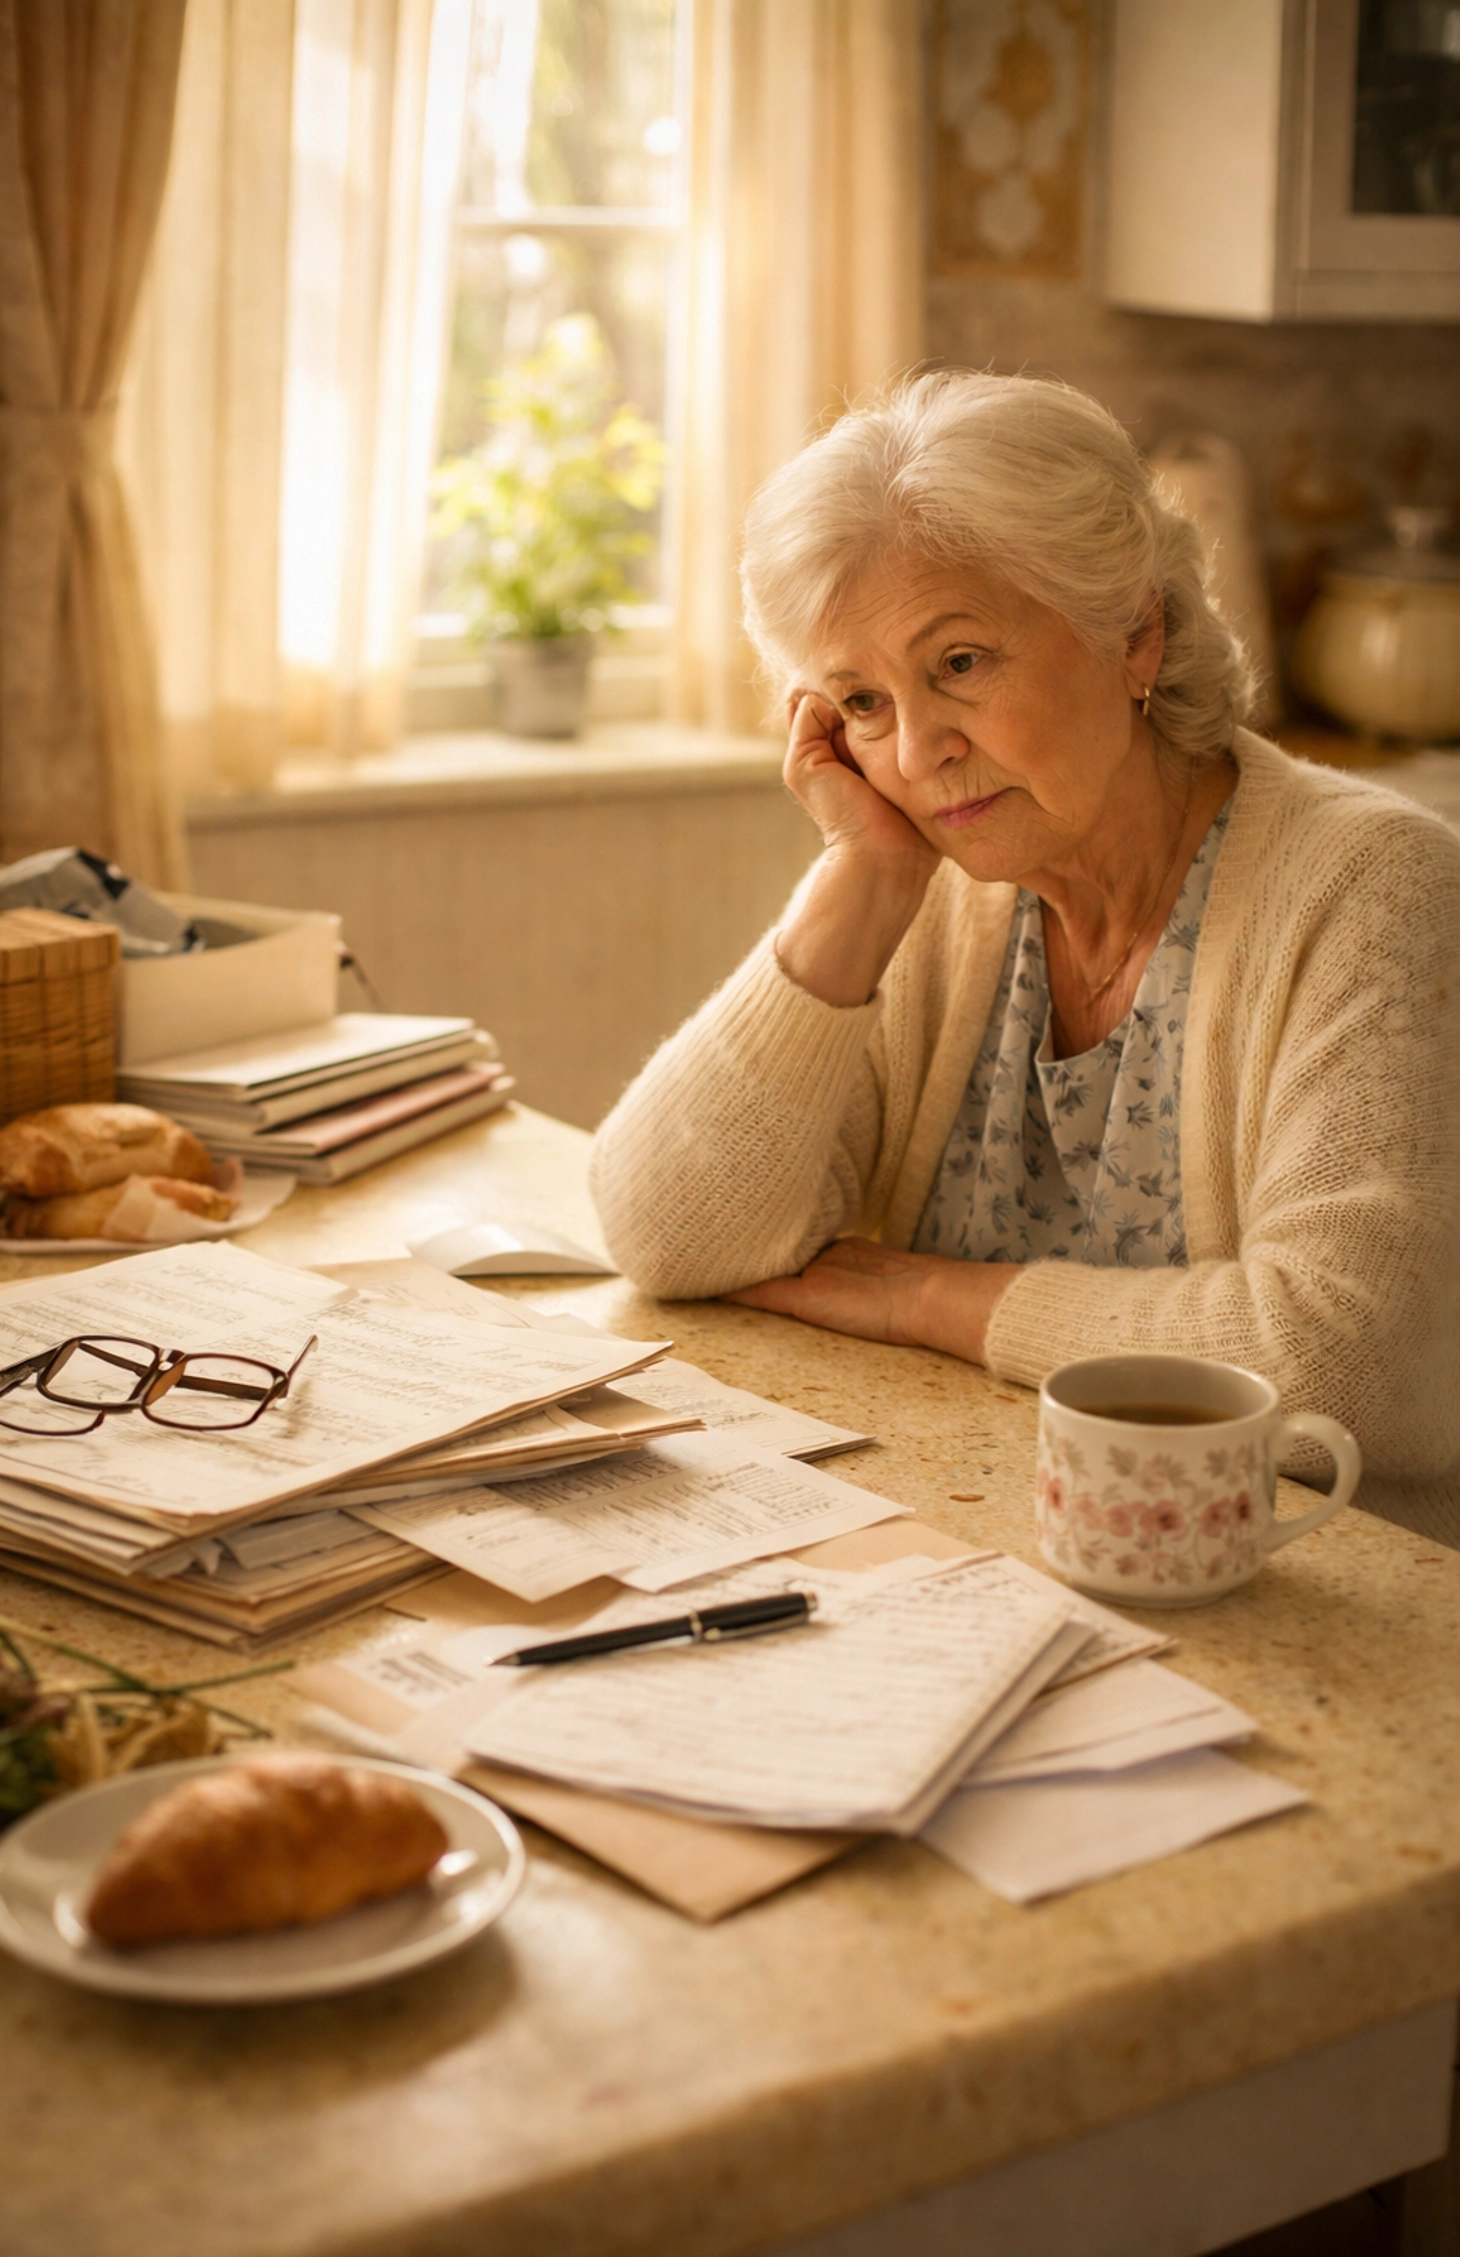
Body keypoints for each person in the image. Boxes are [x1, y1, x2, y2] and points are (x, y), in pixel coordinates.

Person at [590, 371, 1460, 1545]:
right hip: (981, 1556)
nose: (919, 750)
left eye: (959, 664)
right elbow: (668, 1233)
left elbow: (1344, 1372)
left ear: (1133, 631)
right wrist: (866, 877)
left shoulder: (1380, 890)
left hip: (1308, 1598)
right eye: (859, 700)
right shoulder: (945, 892)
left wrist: (940, 1300)